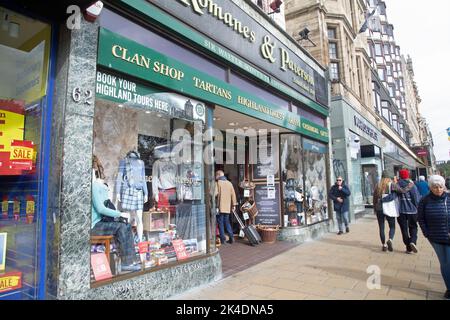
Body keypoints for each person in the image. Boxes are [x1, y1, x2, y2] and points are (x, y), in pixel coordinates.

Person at [417, 175, 450, 300]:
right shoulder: (424, 200)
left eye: (441, 187)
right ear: (430, 187)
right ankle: (449, 288)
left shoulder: (449, 198)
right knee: (446, 262)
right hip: (436, 237)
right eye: (435, 187)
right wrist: (427, 233)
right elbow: (421, 218)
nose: (438, 189)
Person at [373, 171, 415, 252]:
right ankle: (390, 239)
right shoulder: (392, 184)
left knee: (381, 227)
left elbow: (374, 198)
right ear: (389, 177)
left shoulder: (377, 185)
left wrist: (375, 208)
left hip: (379, 208)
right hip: (389, 207)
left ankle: (384, 245)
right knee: (392, 226)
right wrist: (410, 185)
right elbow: (402, 191)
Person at [395, 169, 421, 254]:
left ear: (400, 176)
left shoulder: (396, 186)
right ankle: (412, 241)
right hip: (412, 211)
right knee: (413, 227)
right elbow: (416, 199)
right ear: (407, 175)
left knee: (404, 229)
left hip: (401, 211)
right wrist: (418, 208)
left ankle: (408, 247)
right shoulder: (412, 185)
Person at [215, 170, 237, 245]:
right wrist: (233, 205)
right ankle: (231, 237)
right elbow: (233, 195)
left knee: (220, 224)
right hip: (227, 207)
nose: (215, 177)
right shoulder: (229, 183)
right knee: (227, 222)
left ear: (218, 175)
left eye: (216, 175)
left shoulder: (218, 183)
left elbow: (215, 194)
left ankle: (223, 240)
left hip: (220, 207)